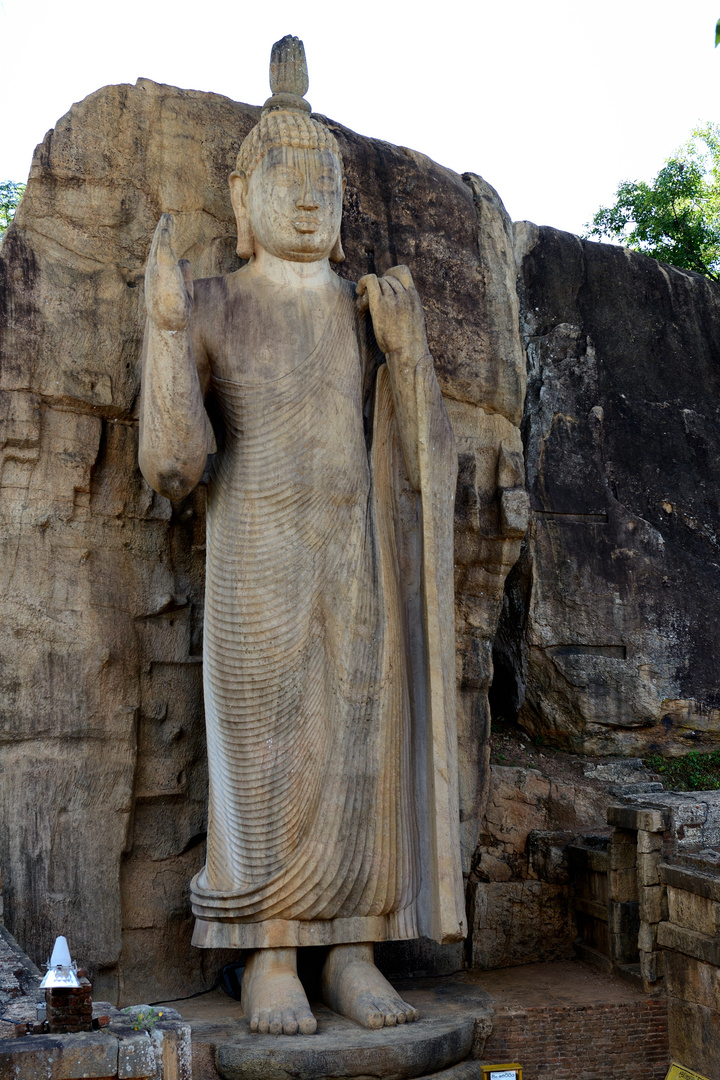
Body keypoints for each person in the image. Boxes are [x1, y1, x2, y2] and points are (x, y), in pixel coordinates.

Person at [139, 36, 464, 1036]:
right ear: (244, 201)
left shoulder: (366, 312)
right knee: (267, 749)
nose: (312, 194)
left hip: (352, 555)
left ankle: (354, 949)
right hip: (256, 557)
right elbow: (173, 465)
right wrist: (160, 334)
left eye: (327, 177)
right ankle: (272, 951)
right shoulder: (215, 304)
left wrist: (408, 361)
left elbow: (422, 456)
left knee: (362, 745)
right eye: (287, 173)